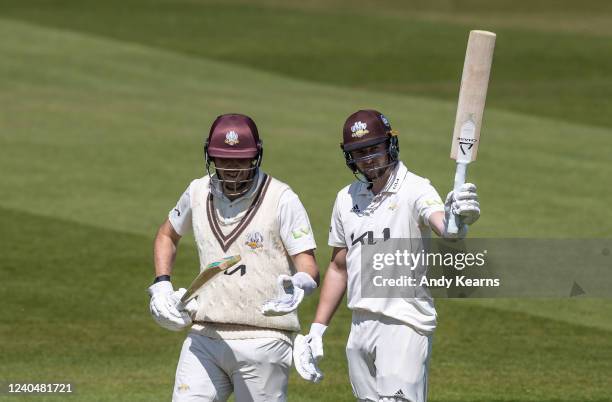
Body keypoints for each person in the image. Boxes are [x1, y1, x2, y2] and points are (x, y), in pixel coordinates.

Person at [293, 110, 480, 402]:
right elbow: (339, 267)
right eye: (359, 152)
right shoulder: (346, 198)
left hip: (405, 323)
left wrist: (458, 221)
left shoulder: (416, 188)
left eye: (373, 149)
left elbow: (444, 226)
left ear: (389, 145)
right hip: (360, 326)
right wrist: (316, 329)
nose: (367, 159)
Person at [147, 113, 320, 402]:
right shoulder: (197, 191)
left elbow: (309, 267)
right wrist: (162, 283)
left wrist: (300, 285)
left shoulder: (282, 198)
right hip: (205, 333)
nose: (232, 169)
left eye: (241, 160)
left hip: (265, 338)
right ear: (210, 156)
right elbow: (167, 235)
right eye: (223, 159)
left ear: (256, 156)